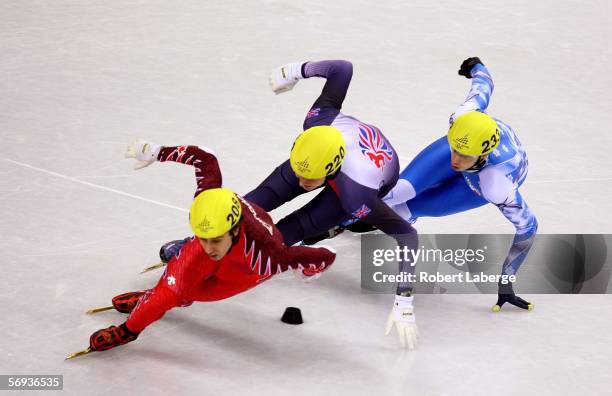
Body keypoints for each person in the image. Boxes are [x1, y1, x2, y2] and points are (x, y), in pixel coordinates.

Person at [160, 60, 419, 349]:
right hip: (326, 150)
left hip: (362, 182)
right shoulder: (317, 120)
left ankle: (226, 263)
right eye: (298, 172)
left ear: (330, 169)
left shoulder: (356, 192)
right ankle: (193, 247)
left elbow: (408, 235)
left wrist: (404, 299)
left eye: (308, 179)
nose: (300, 180)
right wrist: (294, 72)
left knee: (279, 238)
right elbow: (342, 69)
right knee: (251, 205)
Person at [82, 141, 337, 353]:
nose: (209, 247)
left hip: (245, 269)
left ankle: (171, 301)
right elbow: (205, 159)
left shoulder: (269, 255)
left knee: (193, 292)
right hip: (238, 247)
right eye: (202, 237)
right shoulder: (208, 199)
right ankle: (130, 330)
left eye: (215, 239)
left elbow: (324, 255)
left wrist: (312, 269)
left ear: (235, 229)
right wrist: (156, 152)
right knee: (169, 289)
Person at [349, 57, 538, 312]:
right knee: (397, 190)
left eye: (463, 155)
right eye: (455, 150)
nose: (454, 161)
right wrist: (476, 68)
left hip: (477, 185)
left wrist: (506, 281)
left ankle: (353, 220)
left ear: (482, 154)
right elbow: (483, 88)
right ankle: (342, 217)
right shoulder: (462, 118)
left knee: (407, 210)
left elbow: (528, 228)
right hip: (472, 148)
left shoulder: (496, 184)